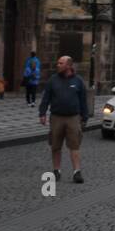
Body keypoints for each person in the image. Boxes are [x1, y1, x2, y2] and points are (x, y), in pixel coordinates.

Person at [38, 55, 90, 183]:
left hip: (73, 117)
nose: (58, 65)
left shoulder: (78, 81)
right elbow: (46, 98)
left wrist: (85, 117)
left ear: (68, 65)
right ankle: (56, 170)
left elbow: (83, 100)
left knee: (74, 145)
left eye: (61, 63)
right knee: (56, 145)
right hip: (56, 117)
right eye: (58, 63)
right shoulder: (53, 80)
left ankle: (77, 172)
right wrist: (42, 113)